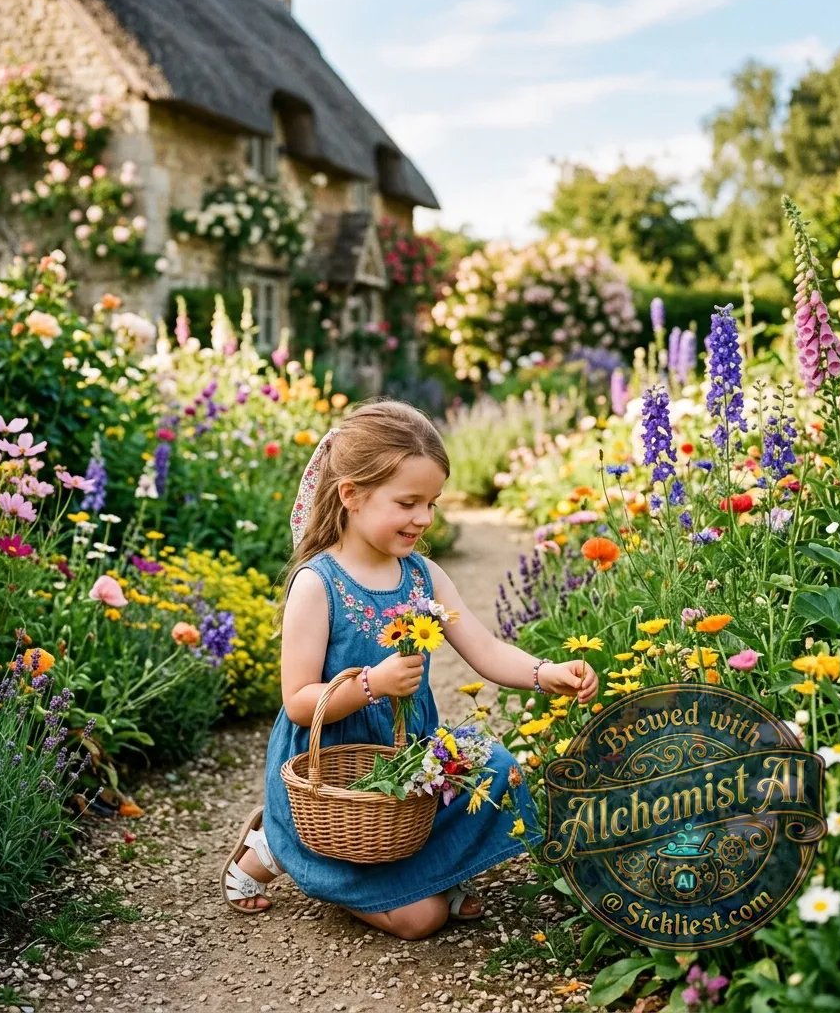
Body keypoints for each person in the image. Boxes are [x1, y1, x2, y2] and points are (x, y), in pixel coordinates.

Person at [220, 399, 597, 940]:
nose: (423, 518)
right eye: (407, 502)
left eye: (432, 503)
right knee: (424, 920)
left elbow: (485, 649)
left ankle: (418, 867)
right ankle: (279, 843)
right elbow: (299, 701)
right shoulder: (318, 584)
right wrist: (370, 684)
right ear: (350, 495)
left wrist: (545, 672)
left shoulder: (422, 575)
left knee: (497, 766)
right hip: (335, 772)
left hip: (408, 762)